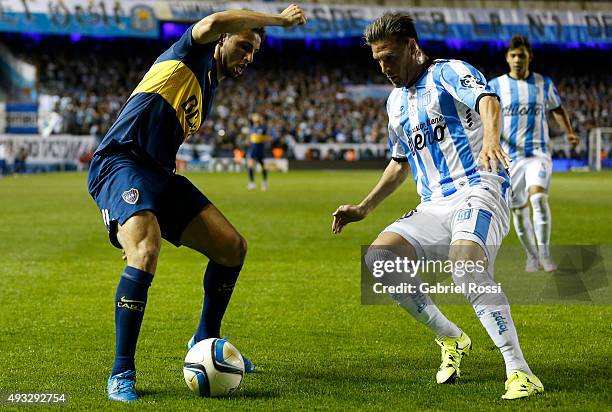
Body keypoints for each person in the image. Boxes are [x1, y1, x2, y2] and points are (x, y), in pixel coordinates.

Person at [87, 5, 306, 402]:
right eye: (243, 46)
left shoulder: (209, 84)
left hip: (158, 174)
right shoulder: (193, 52)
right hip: (121, 161)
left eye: (254, 53)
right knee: (146, 248)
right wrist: (279, 21)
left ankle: (204, 336)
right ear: (223, 40)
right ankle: (121, 371)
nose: (248, 58)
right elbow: (218, 19)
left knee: (232, 248)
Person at [332, 14, 543, 400]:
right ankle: (451, 337)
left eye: (390, 58)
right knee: (379, 258)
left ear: (413, 47)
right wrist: (364, 207)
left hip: (479, 186)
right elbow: (400, 162)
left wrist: (490, 142)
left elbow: (488, 101)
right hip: (433, 204)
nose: (385, 68)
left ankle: (519, 370)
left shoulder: (449, 72)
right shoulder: (395, 103)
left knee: (465, 266)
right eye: (378, 61)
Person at [489, 35, 579, 272]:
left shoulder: (543, 83)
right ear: (507, 58)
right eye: (514, 55)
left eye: (522, 55)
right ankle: (531, 256)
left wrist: (568, 131)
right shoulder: (496, 86)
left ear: (530, 57)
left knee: (538, 198)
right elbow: (485, 116)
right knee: (519, 211)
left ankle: (545, 255)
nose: (518, 59)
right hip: (509, 159)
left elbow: (557, 108)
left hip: (538, 153)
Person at [247, 113, 272, 191]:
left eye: (256, 116)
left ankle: (264, 181)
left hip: (260, 149)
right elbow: (251, 137)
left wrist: (258, 138)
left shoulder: (263, 127)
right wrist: (249, 140)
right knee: (250, 165)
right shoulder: (252, 127)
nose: (254, 117)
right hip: (253, 149)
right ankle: (252, 183)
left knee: (262, 166)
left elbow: (267, 137)